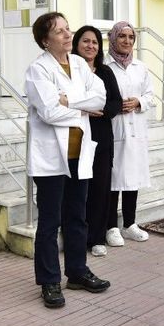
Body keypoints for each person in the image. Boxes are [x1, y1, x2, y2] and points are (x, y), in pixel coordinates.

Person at [25, 12, 109, 308]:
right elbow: (49, 112)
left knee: (77, 217)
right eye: (59, 31)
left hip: (78, 154)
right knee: (50, 222)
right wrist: (83, 109)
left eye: (67, 29)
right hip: (51, 159)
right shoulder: (38, 70)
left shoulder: (79, 64)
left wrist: (69, 102)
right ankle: (49, 280)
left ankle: (76, 271)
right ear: (45, 40)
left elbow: (100, 97)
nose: (67, 35)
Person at [72, 26, 124, 257]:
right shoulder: (69, 71)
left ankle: (97, 238)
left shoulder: (105, 72)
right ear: (76, 44)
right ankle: (77, 237)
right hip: (76, 136)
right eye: (86, 41)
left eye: (94, 42)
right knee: (77, 189)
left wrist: (101, 110)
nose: (90, 46)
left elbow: (116, 102)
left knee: (100, 188)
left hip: (101, 137)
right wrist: (83, 108)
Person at [105, 21, 155, 246]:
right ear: (113, 38)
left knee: (132, 177)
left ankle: (130, 224)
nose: (127, 41)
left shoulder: (140, 67)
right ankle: (111, 227)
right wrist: (115, 106)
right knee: (113, 179)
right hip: (114, 127)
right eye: (122, 36)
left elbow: (150, 95)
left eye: (131, 37)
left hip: (136, 128)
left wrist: (139, 101)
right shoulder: (104, 65)